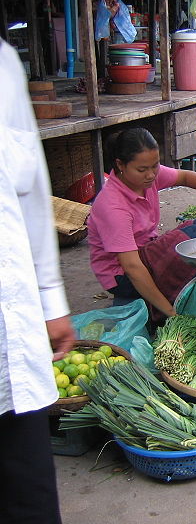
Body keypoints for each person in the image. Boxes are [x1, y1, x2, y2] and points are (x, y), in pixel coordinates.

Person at [0, 38, 74, 523]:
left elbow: (30, 190)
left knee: (27, 491)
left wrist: (51, 300)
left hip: (11, 319)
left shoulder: (2, 62)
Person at [88, 128, 196, 321]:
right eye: (142, 170)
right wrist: (170, 312)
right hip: (123, 276)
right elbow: (132, 267)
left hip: (146, 250)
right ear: (120, 165)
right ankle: (173, 303)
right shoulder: (113, 206)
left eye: (155, 166)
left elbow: (184, 177)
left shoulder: (147, 177)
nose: (151, 175)